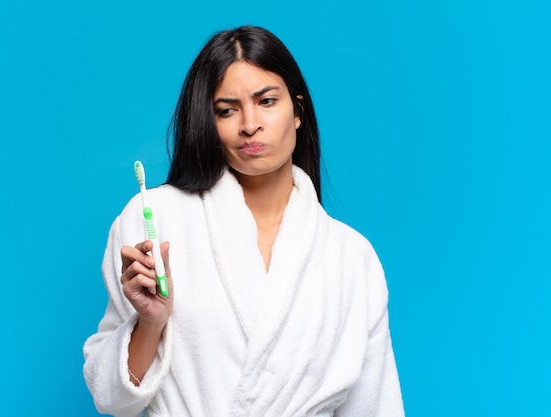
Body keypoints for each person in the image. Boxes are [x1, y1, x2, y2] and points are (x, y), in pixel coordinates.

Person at [83, 26, 405, 417]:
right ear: (209, 122)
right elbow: (111, 397)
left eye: (266, 101)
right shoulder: (156, 219)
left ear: (298, 112)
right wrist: (150, 324)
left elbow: (376, 406)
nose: (249, 124)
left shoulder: (351, 258)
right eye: (227, 110)